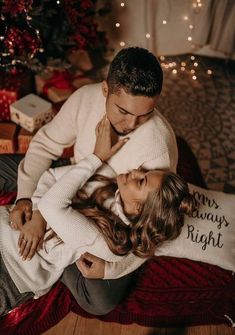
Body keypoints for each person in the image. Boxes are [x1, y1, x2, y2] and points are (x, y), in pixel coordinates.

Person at [1, 46, 178, 314]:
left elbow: (153, 229)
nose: (131, 123)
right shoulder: (85, 97)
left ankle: (57, 252)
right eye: (123, 111)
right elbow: (46, 145)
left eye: (144, 114)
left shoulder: (159, 150)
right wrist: (28, 199)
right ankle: (54, 248)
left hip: (101, 218)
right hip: (71, 174)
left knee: (100, 301)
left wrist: (112, 268)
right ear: (105, 90)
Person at [0, 118, 196, 317]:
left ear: (138, 208)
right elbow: (50, 176)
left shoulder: (110, 241)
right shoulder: (108, 177)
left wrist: (96, 157)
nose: (136, 171)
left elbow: (52, 205)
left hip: (14, 271)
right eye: (144, 172)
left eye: (142, 181)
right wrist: (37, 213)